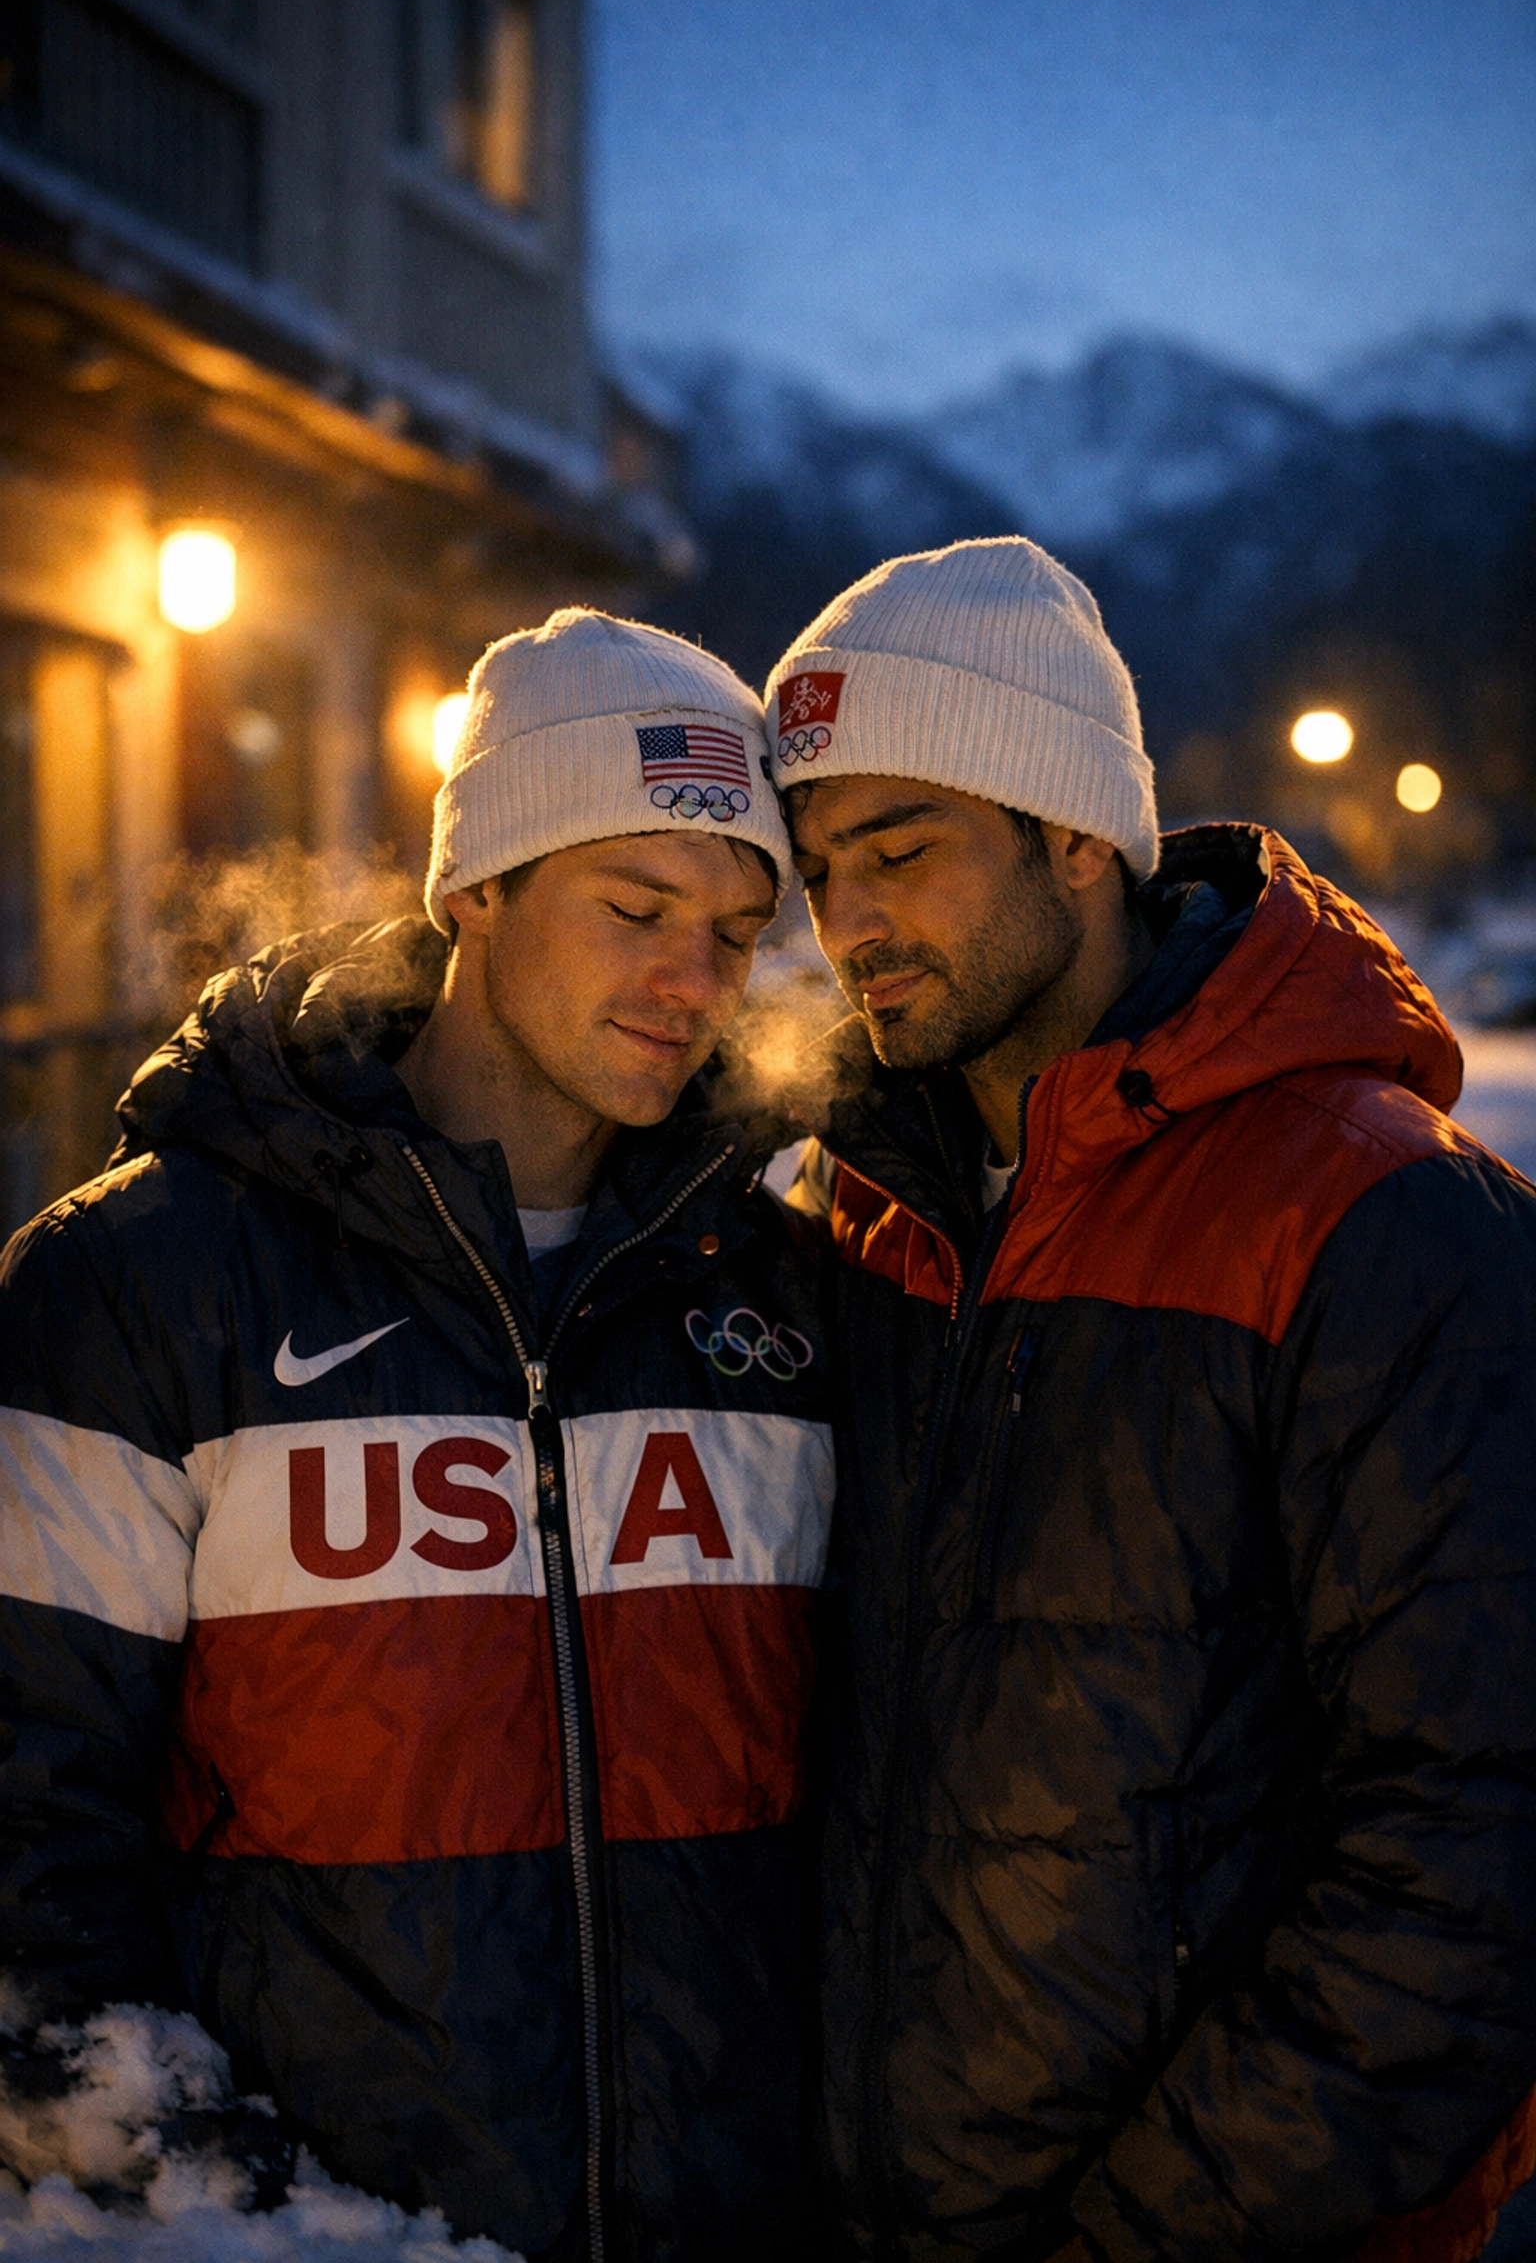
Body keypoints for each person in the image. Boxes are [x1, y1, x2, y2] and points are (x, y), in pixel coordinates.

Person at [0, 609, 836, 2262]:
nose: (696, 980)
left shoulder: (791, 1304)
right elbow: (26, 1852)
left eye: (739, 932)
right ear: (477, 889)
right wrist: (244, 2225)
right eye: (635, 908)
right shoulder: (137, 1284)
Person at [767, 537, 1536, 2262]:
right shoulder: (857, 1212)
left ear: (1074, 836)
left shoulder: (1380, 1220)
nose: (851, 922)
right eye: (818, 872)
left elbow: (1478, 1844)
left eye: (901, 851)